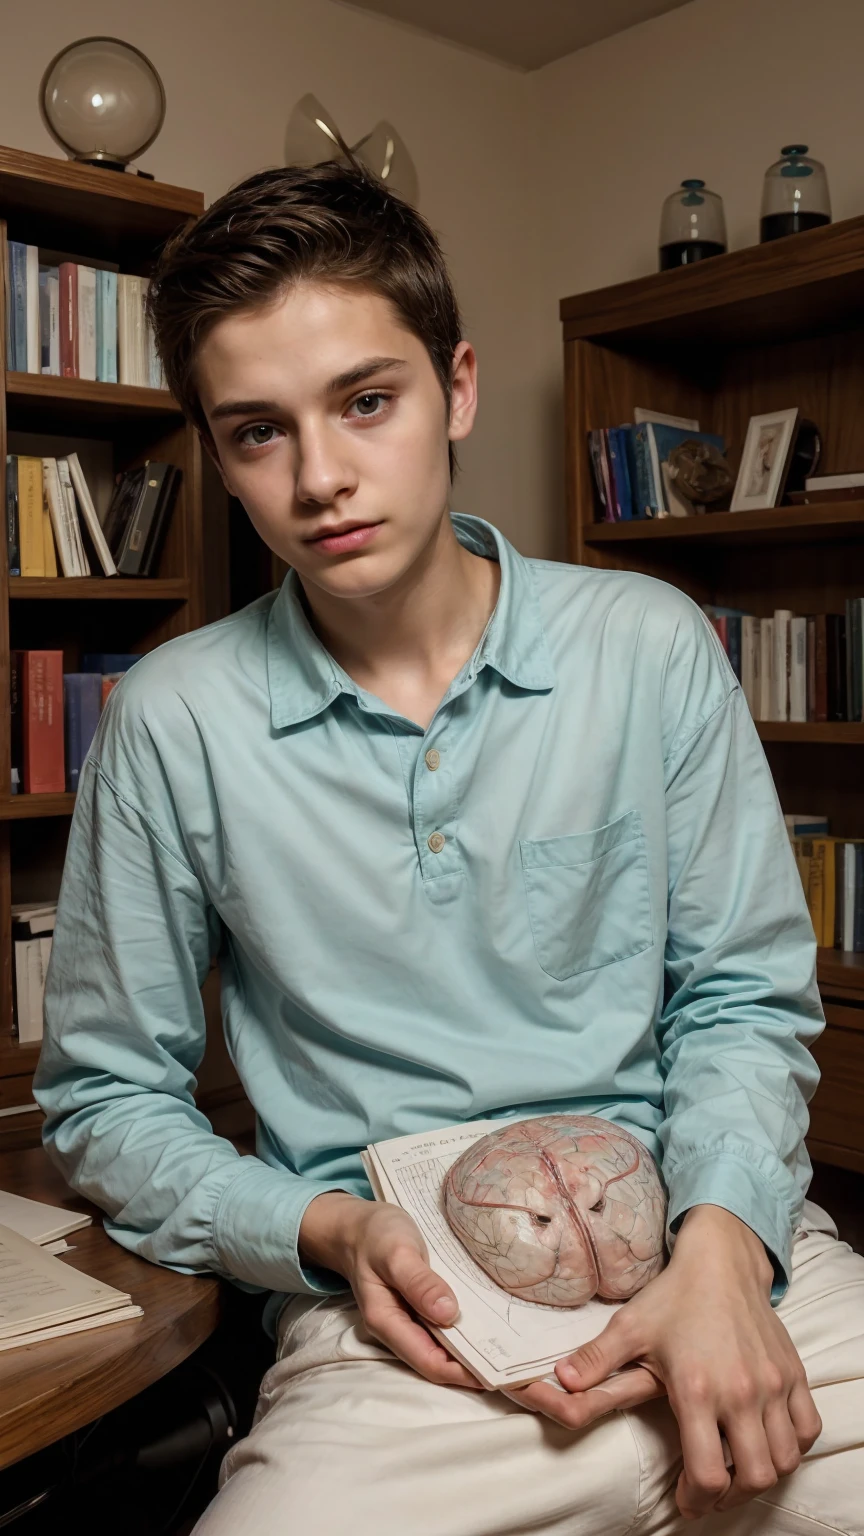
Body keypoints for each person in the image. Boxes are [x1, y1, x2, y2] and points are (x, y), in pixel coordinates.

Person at [35, 163, 863, 1536]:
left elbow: (742, 997)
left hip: (720, 1260)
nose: (321, 478)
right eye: (257, 432)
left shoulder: (648, 644)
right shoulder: (171, 719)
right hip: (395, 1332)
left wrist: (724, 1249)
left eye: (368, 401)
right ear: (218, 454)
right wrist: (327, 1234)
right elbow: (108, 1100)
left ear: (457, 388)